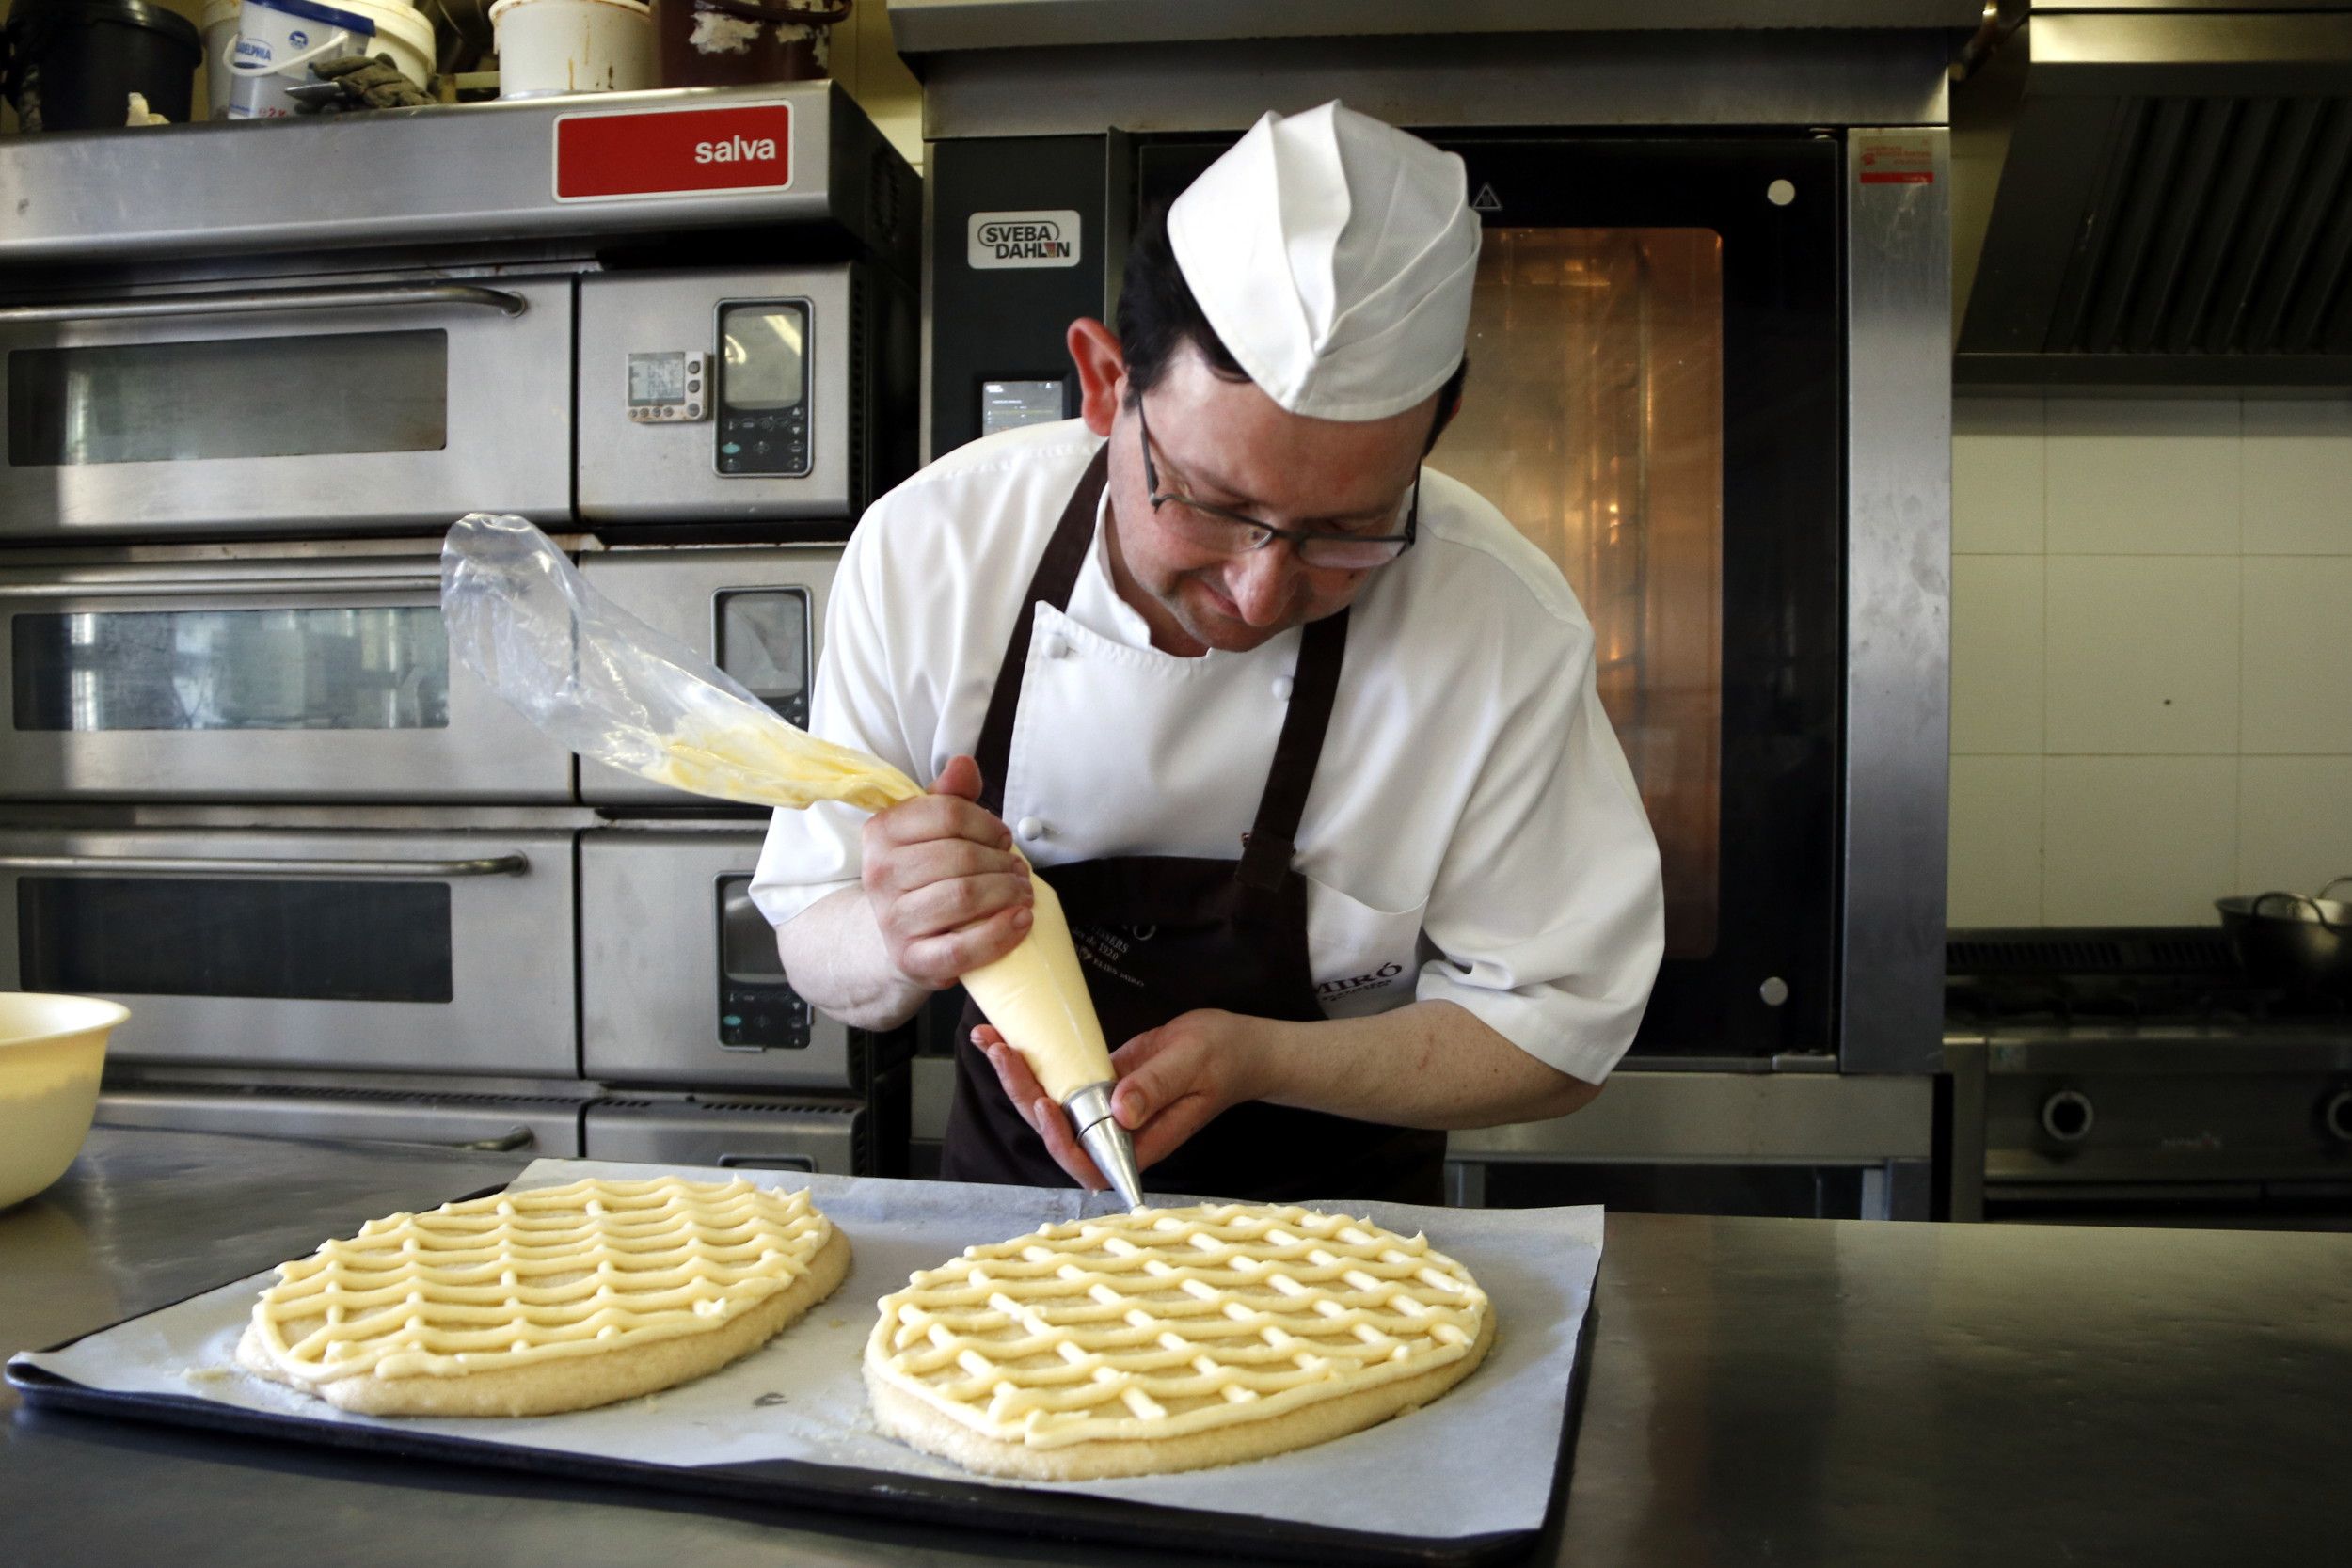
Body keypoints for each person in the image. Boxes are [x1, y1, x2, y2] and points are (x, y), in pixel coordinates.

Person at [751, 101, 1663, 1205]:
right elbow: (814, 930)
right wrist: (900, 932)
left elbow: (1560, 1032)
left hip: (1346, 1246)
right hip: (1014, 1230)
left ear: (1438, 428)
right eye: (1212, 504)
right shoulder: (935, 549)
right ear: (1104, 382)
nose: (1260, 588)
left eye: (1347, 529)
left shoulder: (1496, 620)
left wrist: (1261, 1059)